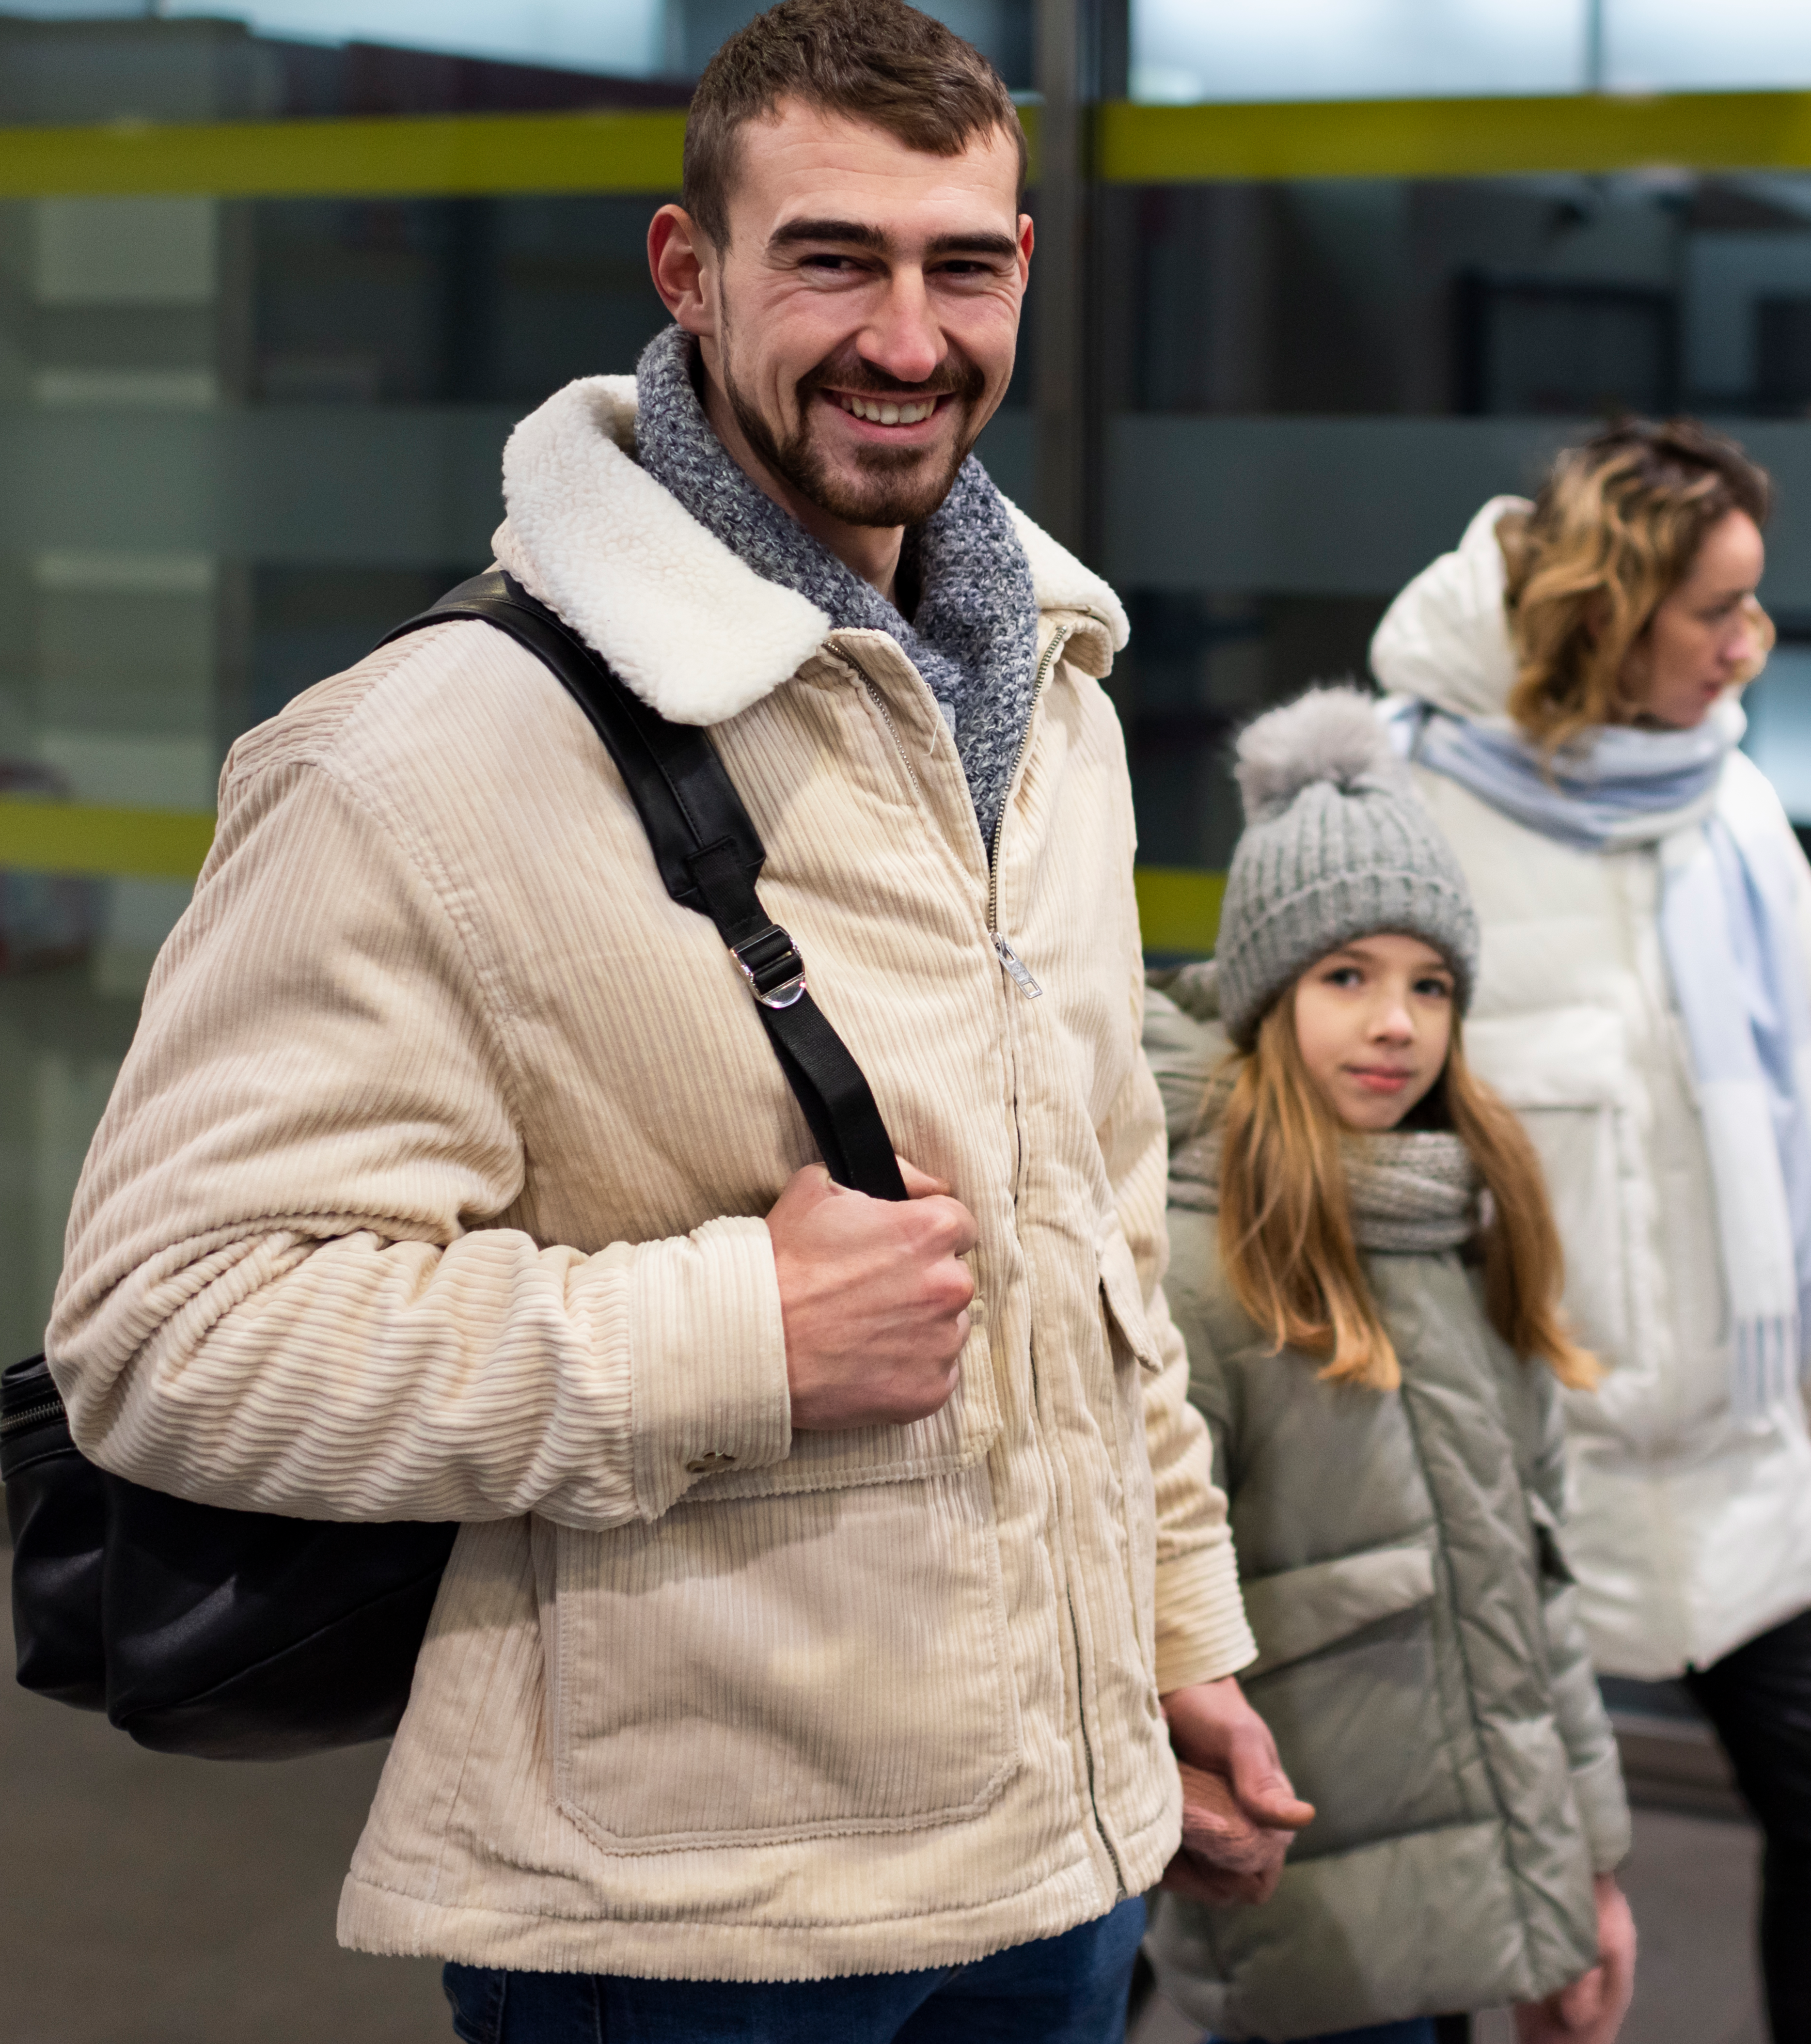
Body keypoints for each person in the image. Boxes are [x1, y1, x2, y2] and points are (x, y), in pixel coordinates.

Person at [42, 5, 1307, 2037]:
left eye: (958, 265)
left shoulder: (1049, 692)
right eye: (830, 260)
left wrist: (1167, 1630)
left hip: (1054, 1848)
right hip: (690, 1921)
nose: (907, 336)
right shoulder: (416, 757)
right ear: (685, 270)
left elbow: (1089, 1229)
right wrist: (739, 1334)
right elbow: (167, 1334)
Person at [1369, 419, 1811, 2042]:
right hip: (1512, 1470)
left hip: (1734, 1442)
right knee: (1484, 1875)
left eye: (1756, 603)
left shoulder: (1729, 798)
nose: (1751, 645)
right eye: (1717, 611)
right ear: (1607, 612)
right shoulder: (1409, 803)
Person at [1135, 688, 1638, 2044]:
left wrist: (1583, 1869)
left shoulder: (1464, 1228)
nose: (1395, 1023)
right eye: (1345, 976)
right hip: (1308, 1913)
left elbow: (1532, 1603)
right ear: (1265, 994)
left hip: (1467, 1899)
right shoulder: (1204, 1266)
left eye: (1428, 984)